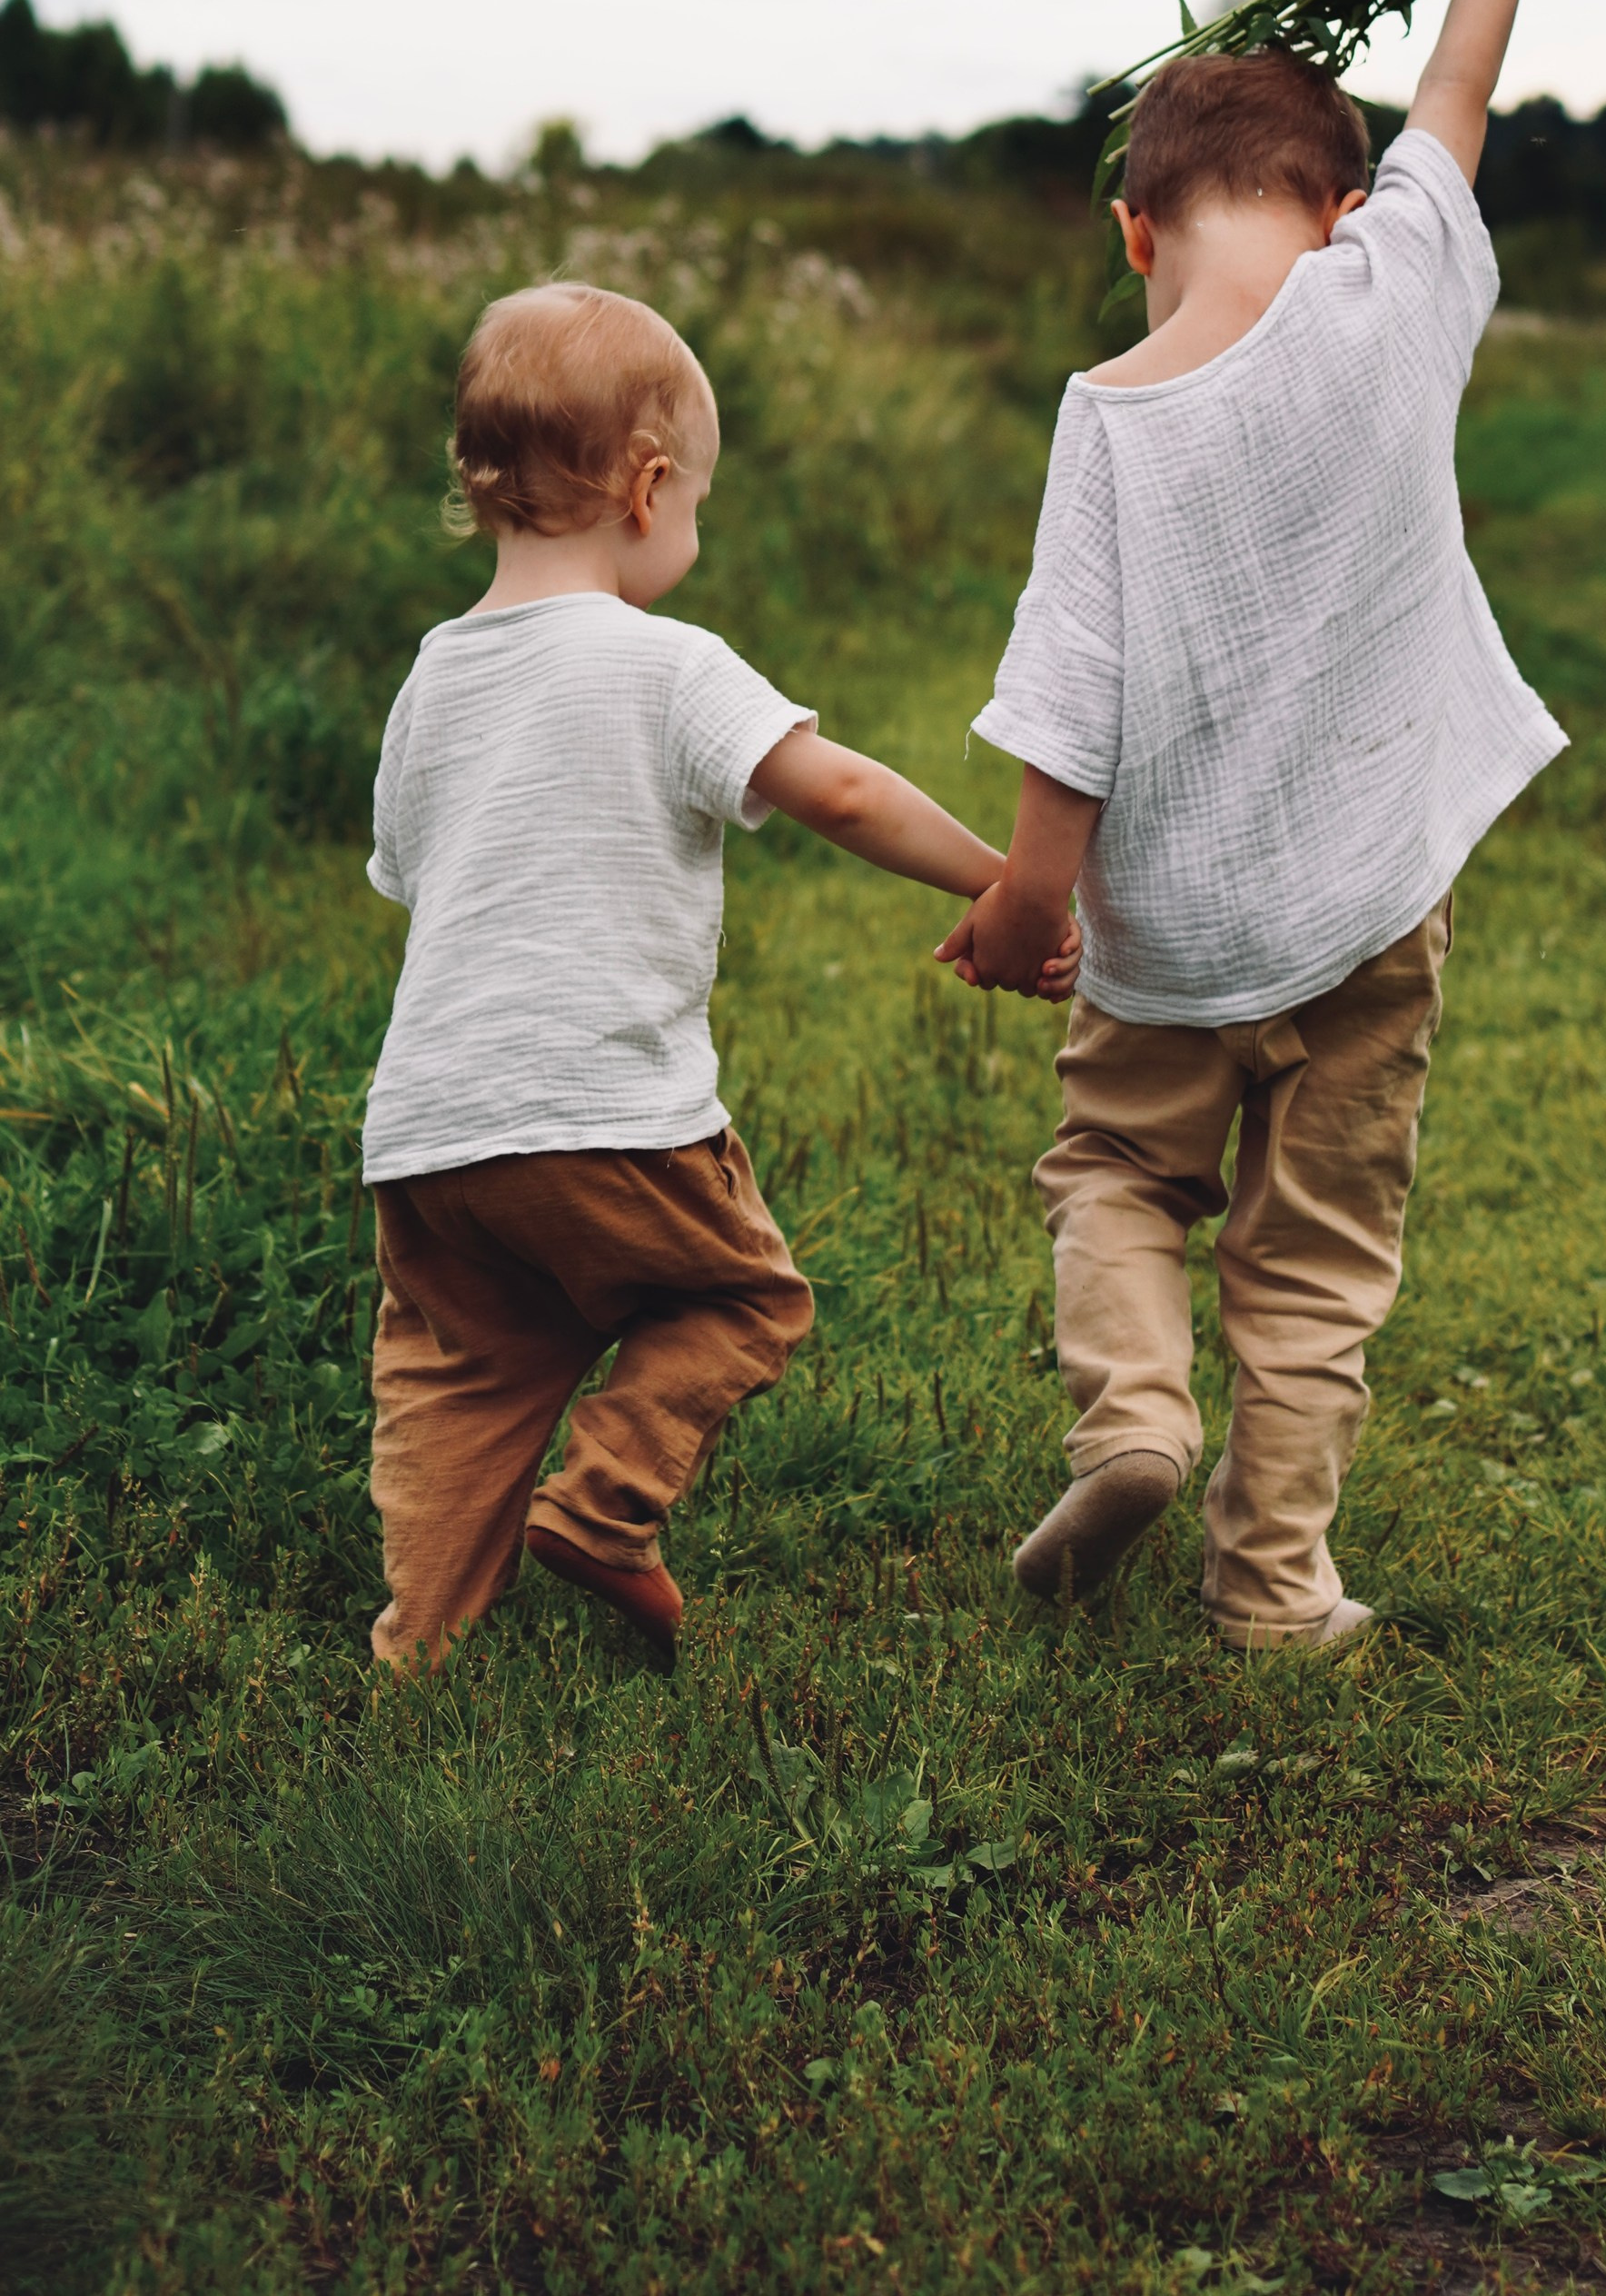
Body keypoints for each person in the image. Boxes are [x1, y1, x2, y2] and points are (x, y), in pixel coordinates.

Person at [939, 0, 1569, 1651]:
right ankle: (1273, 1583)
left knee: (1122, 1173)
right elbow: (1460, 84)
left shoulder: (1109, 412)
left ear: (1134, 233)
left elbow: (1069, 703)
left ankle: (1131, 1414)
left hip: (1169, 935)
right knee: (1315, 1258)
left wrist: (1025, 909)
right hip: (1371, 900)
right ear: (1343, 202)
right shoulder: (1395, 288)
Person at [362, 278, 1078, 1673]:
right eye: (694, 501)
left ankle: (422, 1649)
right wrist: (1001, 883)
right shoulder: (665, 664)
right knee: (741, 1300)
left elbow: (410, 872)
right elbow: (847, 795)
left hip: (429, 1132)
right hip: (604, 1108)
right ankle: (605, 1508)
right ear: (644, 488)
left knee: (465, 1381)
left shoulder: (431, 677)